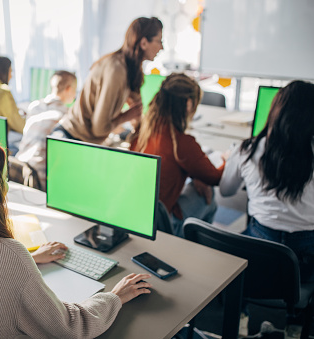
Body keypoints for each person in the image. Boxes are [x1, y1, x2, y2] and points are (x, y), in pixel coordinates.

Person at [0, 140, 152, 338]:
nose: (5, 187)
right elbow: (69, 327)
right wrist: (115, 296)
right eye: (2, 180)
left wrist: (31, 258)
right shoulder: (8, 253)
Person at [219, 80, 314, 283]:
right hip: (307, 257)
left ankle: (241, 310)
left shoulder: (247, 150)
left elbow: (226, 191)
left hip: (259, 247)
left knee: (238, 259)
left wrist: (232, 163)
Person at [130, 73, 224, 237]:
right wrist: (227, 159)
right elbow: (215, 178)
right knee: (210, 195)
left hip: (137, 217)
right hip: (164, 224)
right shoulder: (181, 142)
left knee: (198, 184)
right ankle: (195, 246)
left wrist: (196, 176)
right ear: (188, 104)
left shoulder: (141, 133)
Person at [52, 16, 163, 144]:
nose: (162, 47)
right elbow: (99, 128)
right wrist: (126, 116)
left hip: (81, 140)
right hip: (69, 138)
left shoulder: (131, 70)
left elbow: (137, 109)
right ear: (143, 43)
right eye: (159, 41)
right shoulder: (117, 70)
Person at [15, 70, 77, 189]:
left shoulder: (34, 106)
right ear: (69, 89)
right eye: (75, 90)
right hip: (38, 179)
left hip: (19, 168)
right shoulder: (66, 116)